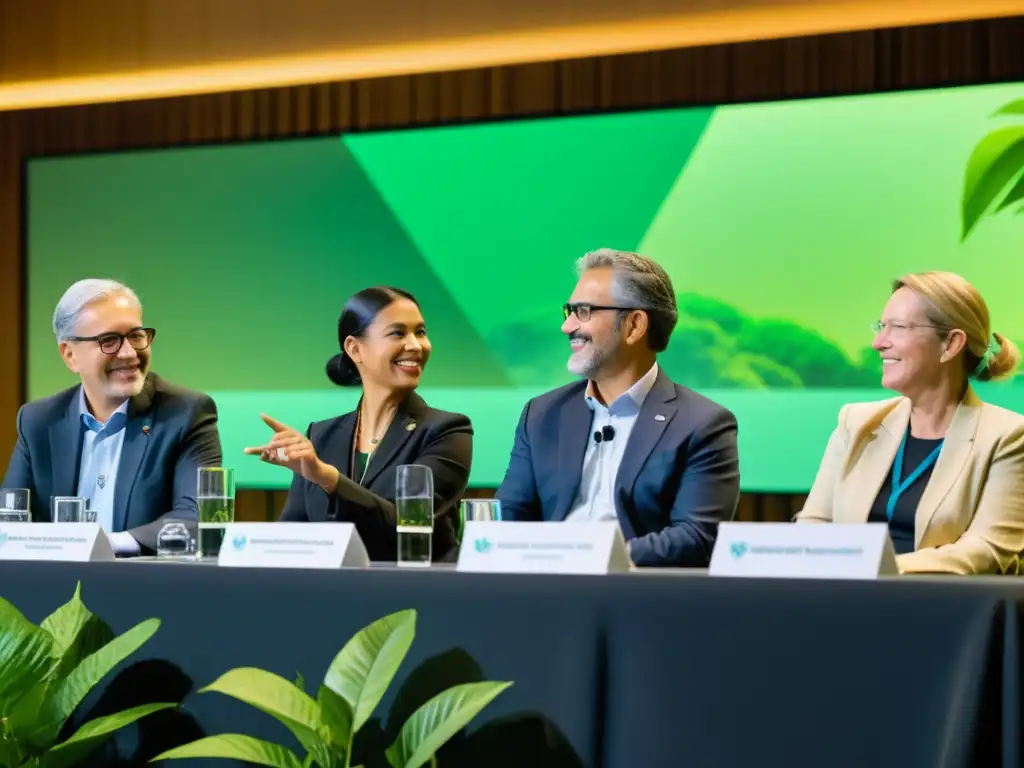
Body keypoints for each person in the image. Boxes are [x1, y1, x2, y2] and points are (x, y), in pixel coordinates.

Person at [495, 249, 740, 567]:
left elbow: (695, 538)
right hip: (545, 592)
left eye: (583, 311)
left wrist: (586, 558)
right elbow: (507, 517)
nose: (567, 327)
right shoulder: (541, 415)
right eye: (568, 311)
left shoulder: (703, 424)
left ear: (635, 325)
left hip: (637, 597)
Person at [796, 271, 1024, 575]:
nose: (878, 343)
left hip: (940, 610)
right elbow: (814, 525)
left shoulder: (1008, 436)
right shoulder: (857, 422)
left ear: (951, 344)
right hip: (846, 600)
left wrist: (878, 569)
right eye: (881, 327)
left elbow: (988, 551)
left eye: (898, 328)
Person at [245, 286, 472, 561]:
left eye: (420, 332)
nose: (415, 345)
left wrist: (327, 478)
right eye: (398, 333)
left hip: (416, 593)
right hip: (333, 595)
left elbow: (409, 524)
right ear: (355, 348)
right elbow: (294, 534)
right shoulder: (320, 436)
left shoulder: (447, 430)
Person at [2, 279, 222, 555]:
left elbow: (198, 519)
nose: (130, 353)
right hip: (54, 590)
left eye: (136, 336)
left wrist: (105, 545)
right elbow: (9, 519)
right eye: (109, 341)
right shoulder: (38, 421)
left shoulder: (186, 414)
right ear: (69, 355)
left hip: (146, 587)